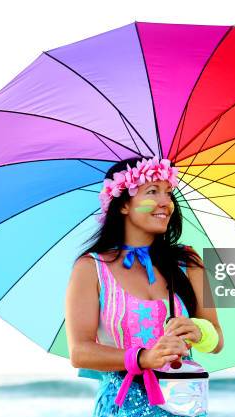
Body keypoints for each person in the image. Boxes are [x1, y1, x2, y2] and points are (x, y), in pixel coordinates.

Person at [65, 156, 224, 416]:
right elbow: (80, 352)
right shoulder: (90, 268)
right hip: (121, 406)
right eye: (152, 191)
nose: (166, 203)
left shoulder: (189, 262)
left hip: (181, 403)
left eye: (169, 192)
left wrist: (199, 331)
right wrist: (142, 358)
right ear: (124, 204)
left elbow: (217, 340)